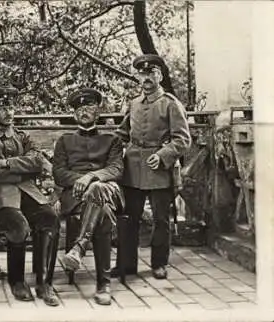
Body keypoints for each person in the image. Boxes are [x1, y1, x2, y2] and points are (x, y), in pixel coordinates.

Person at [0, 87, 60, 307]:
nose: (9, 112)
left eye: (11, 107)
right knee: (19, 225)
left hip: (27, 192)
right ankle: (17, 281)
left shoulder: (23, 136)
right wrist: (23, 169)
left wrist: (8, 164)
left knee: (49, 218)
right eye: (3, 108)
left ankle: (44, 282)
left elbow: (38, 161)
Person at [112, 54, 191, 280]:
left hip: (159, 169)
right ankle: (127, 265)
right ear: (138, 77)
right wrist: (105, 148)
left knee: (160, 219)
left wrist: (163, 154)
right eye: (143, 74)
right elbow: (122, 133)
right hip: (133, 167)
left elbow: (183, 139)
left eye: (151, 73)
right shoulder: (134, 104)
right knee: (129, 217)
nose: (147, 78)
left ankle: (159, 264)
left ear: (160, 75)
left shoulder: (171, 104)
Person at [52, 88, 125, 306]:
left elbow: (116, 169)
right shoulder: (64, 141)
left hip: (109, 192)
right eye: (80, 108)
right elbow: (59, 173)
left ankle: (79, 247)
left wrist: (91, 177)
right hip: (76, 199)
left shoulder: (112, 140)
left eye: (90, 106)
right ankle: (104, 285)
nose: (85, 111)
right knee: (101, 211)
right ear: (74, 114)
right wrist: (81, 181)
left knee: (99, 191)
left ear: (98, 110)